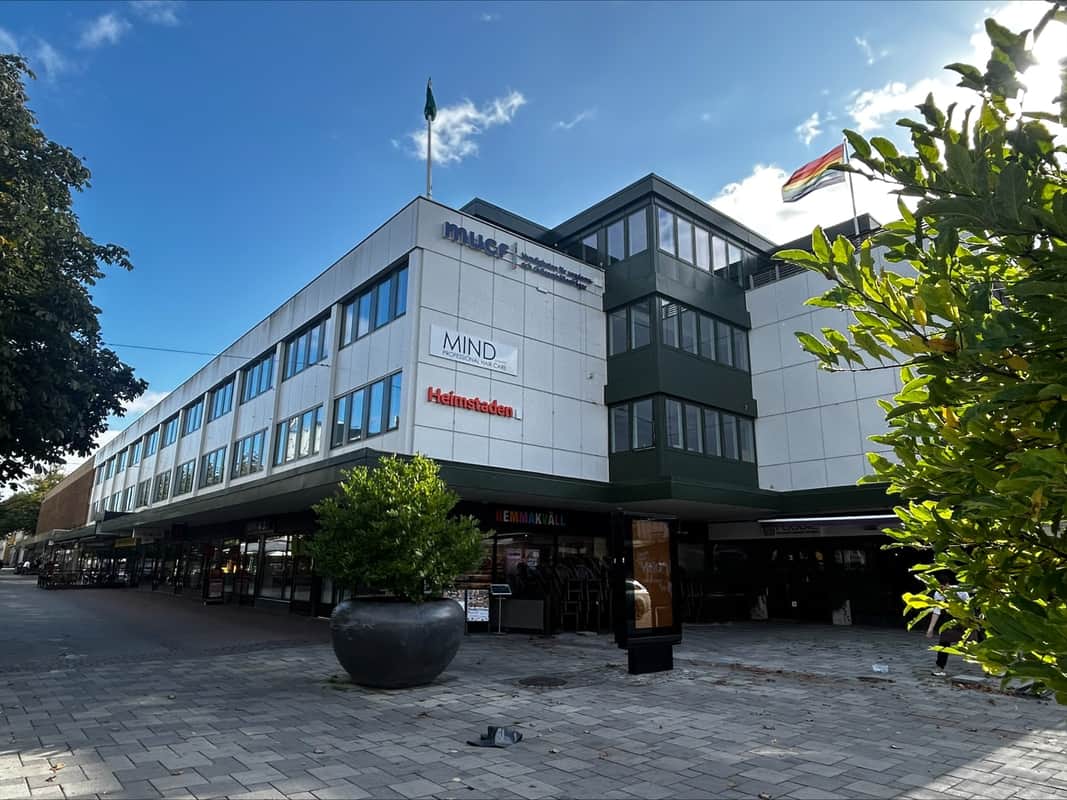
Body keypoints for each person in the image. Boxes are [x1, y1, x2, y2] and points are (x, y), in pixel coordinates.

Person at [926, 581, 971, 677]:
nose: (941, 589)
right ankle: (939, 667)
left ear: (947, 584)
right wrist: (930, 628)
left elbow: (969, 607)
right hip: (949, 619)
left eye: (943, 586)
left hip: (965, 618)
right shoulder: (938, 593)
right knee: (944, 642)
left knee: (977, 641)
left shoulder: (961, 591)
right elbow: (936, 611)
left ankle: (992, 667)